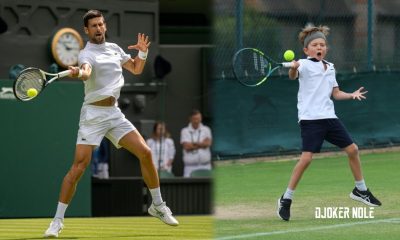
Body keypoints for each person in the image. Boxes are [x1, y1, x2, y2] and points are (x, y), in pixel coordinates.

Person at [44, 10, 178, 238]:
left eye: (101, 24)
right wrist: (79, 72)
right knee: (78, 169)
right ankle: (57, 222)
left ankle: (157, 205)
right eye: (93, 26)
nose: (98, 28)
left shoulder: (115, 49)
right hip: (93, 115)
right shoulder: (86, 53)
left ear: (105, 26)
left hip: (114, 114)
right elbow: (86, 73)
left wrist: (143, 53)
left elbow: (135, 68)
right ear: (87, 30)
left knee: (145, 153)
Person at [277, 25, 382, 221]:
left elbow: (335, 93)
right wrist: (293, 68)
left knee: (353, 150)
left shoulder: (331, 66)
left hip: (329, 118)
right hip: (310, 120)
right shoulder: (303, 64)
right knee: (306, 159)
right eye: (315, 45)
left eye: (322, 45)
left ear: (326, 48)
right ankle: (286, 199)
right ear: (307, 50)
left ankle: (360, 190)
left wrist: (351, 95)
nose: (319, 47)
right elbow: (293, 77)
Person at [180, 109, 212, 177]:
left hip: (206, 166)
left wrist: (193, 144)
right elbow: (186, 147)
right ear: (190, 119)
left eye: (199, 118)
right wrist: (202, 144)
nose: (197, 121)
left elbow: (208, 144)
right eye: (195, 119)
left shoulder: (206, 129)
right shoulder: (184, 131)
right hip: (190, 167)